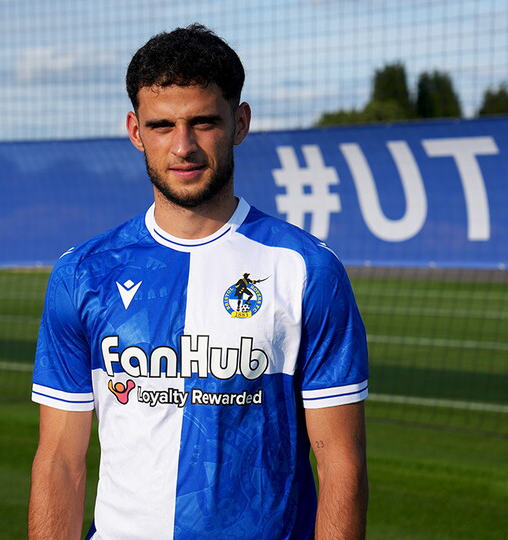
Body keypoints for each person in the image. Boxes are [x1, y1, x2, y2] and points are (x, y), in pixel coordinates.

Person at [29, 24, 369, 540]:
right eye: (162, 125)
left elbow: (341, 462)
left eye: (203, 122)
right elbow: (59, 460)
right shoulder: (83, 274)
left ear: (240, 122)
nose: (182, 146)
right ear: (135, 131)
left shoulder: (306, 270)